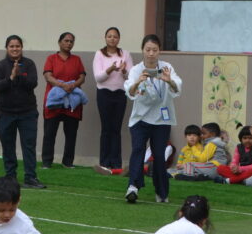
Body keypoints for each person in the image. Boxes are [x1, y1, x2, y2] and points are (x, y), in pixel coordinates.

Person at [123, 34, 181, 204]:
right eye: (148, 50)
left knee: (159, 155)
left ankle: (161, 193)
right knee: (138, 150)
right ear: (142, 50)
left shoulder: (166, 67)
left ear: (159, 51)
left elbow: (177, 88)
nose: (151, 53)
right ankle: (133, 187)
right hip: (140, 118)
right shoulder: (136, 70)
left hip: (162, 120)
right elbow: (130, 91)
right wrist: (138, 82)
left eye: (154, 50)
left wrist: (169, 81)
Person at [0, 35, 45, 189]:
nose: (15, 49)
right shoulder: (0, 66)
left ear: (22, 47)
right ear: (6, 48)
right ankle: (10, 178)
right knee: (8, 146)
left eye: (18, 46)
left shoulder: (29, 64)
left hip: (27, 112)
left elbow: (32, 84)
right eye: (11, 46)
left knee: (29, 145)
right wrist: (11, 77)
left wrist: (19, 75)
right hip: (4, 113)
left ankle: (30, 177)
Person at [41, 32, 87, 169]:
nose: (68, 43)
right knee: (49, 134)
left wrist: (73, 85)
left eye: (71, 41)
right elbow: (48, 76)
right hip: (54, 101)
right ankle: (47, 162)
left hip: (72, 101)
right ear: (59, 42)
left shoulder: (77, 60)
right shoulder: (51, 58)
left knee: (71, 134)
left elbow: (82, 77)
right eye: (66, 41)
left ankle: (68, 162)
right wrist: (62, 85)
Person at [92, 27, 133, 175]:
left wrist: (123, 70)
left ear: (119, 39)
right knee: (106, 128)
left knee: (116, 129)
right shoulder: (99, 54)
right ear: (105, 38)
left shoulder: (125, 54)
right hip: (104, 93)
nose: (112, 39)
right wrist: (110, 69)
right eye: (109, 36)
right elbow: (98, 77)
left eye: (115, 36)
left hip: (120, 94)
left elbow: (131, 77)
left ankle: (116, 163)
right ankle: (104, 162)